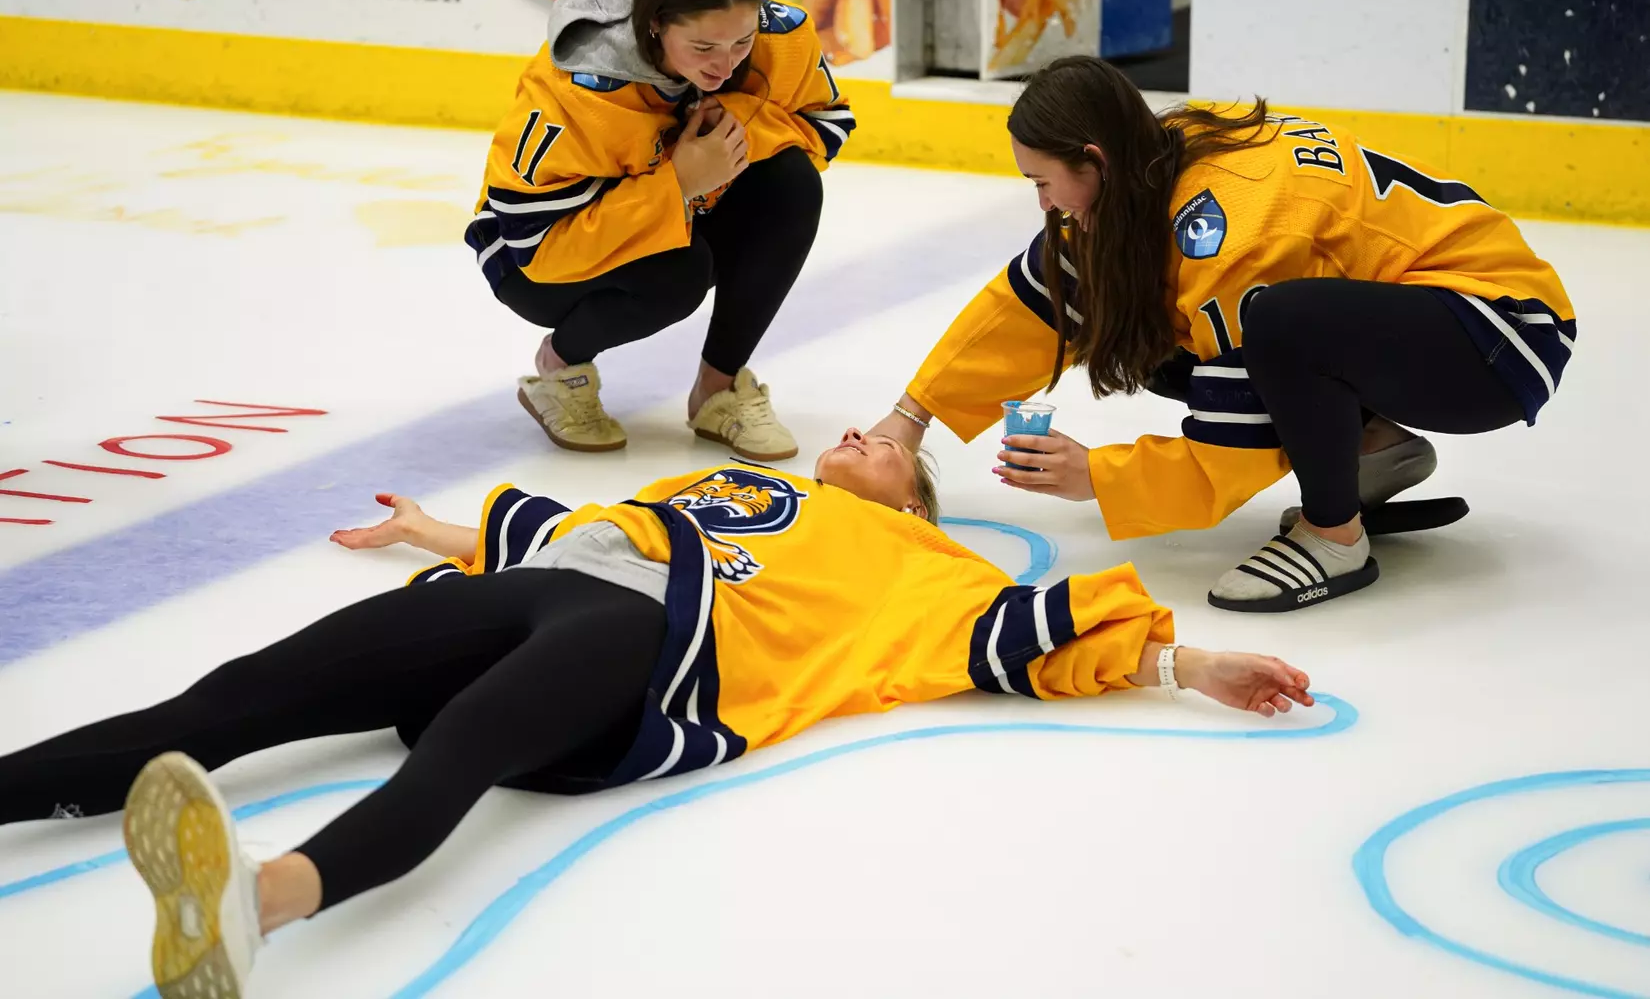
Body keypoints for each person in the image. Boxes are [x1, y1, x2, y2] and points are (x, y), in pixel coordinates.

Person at [0, 430, 1313, 999]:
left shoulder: (925, 567)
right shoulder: (726, 480)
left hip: (646, 649)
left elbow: (1028, 638)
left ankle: (260, 903)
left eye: (886, 448)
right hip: (542, 588)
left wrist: (1186, 664)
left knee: (463, 751)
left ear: (913, 500)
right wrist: (439, 532)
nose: (860, 434)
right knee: (231, 697)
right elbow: (584, 527)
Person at [869, 55, 1576, 613]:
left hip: (1498, 335)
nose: (1044, 204)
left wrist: (1100, 478)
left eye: (1043, 183)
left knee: (1277, 325)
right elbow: (1041, 296)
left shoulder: (1228, 234)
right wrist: (913, 417)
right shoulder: (1161, 153)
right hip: (1427, 325)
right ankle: (1372, 449)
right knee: (1139, 317)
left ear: (1095, 158)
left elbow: (1242, 430)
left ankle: (1334, 540)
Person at [469, 0, 855, 461]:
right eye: (702, 47)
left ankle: (718, 393)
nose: (725, 65)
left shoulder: (778, 38)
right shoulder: (579, 86)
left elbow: (828, 123)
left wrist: (734, 123)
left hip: (680, 210)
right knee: (678, 272)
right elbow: (536, 246)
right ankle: (560, 367)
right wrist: (677, 179)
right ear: (655, 26)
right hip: (536, 261)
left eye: (741, 41)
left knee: (792, 183)